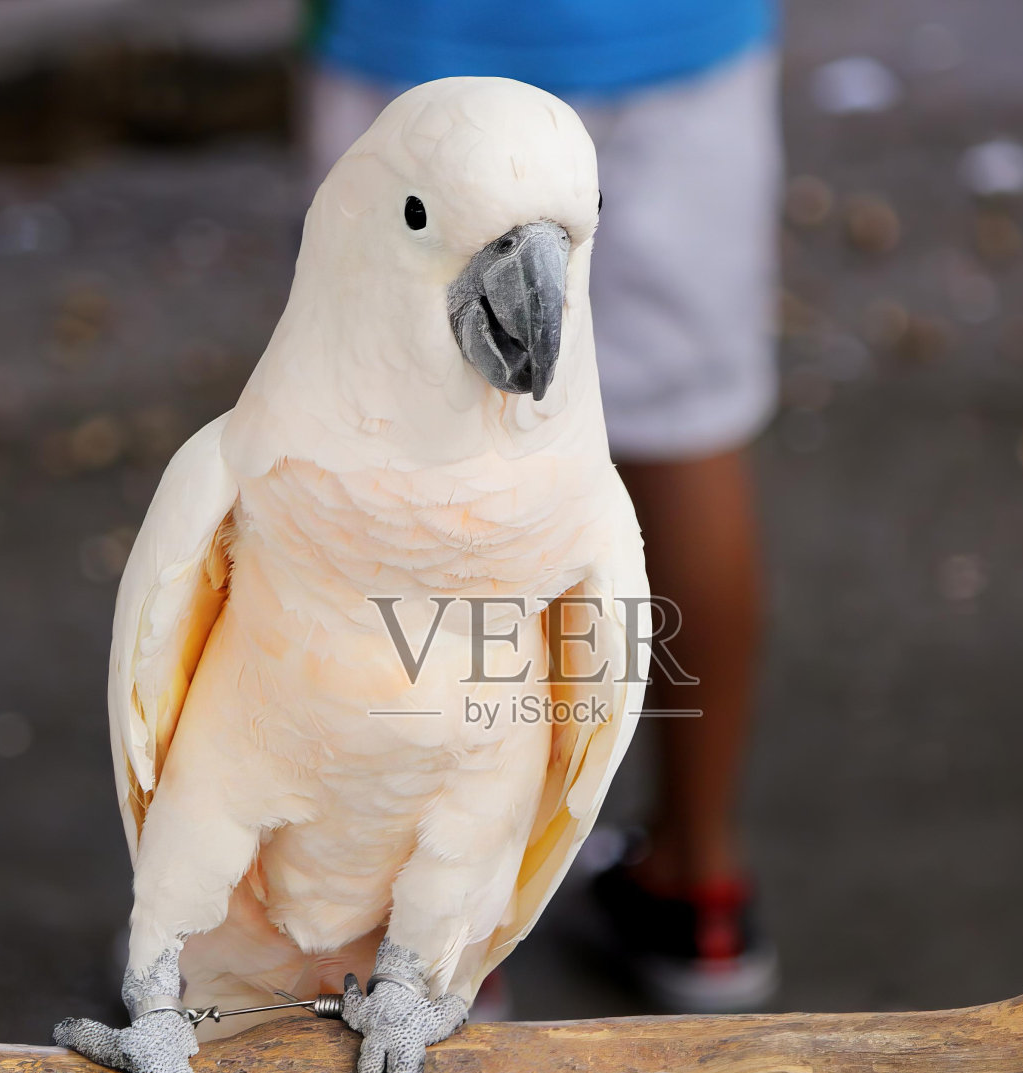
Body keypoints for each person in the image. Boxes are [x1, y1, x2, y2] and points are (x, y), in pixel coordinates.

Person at [300, 1, 781, 1012]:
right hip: (677, 49)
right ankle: (699, 889)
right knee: (686, 441)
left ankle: (439, 934)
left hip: (423, 60)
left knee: (413, 468)